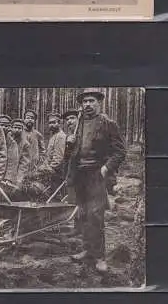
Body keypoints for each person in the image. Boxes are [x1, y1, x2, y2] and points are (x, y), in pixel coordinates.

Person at [68, 89, 126, 273]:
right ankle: (88, 250)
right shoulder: (78, 124)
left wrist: (105, 169)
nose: (88, 105)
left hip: (96, 175)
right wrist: (69, 144)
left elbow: (120, 151)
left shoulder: (108, 124)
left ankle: (100, 257)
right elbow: (71, 153)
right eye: (85, 102)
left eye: (91, 101)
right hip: (80, 176)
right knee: (83, 214)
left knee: (96, 216)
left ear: (99, 103)